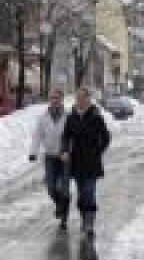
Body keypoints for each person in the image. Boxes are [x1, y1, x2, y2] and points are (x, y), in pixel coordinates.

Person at [60, 86, 110, 236]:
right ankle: (84, 218)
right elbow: (66, 136)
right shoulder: (71, 116)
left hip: (92, 162)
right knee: (82, 194)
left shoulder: (96, 116)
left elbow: (106, 136)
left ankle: (89, 223)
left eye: (83, 98)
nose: (80, 100)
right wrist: (65, 151)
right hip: (76, 161)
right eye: (78, 98)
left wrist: (98, 150)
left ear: (88, 99)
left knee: (89, 191)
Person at [28, 89, 71, 229]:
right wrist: (33, 152)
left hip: (65, 158)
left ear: (62, 100)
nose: (54, 101)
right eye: (52, 98)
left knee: (64, 188)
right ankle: (60, 204)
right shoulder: (43, 117)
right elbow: (37, 136)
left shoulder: (68, 117)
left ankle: (64, 217)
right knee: (51, 187)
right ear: (49, 100)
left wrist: (70, 151)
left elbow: (73, 136)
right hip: (50, 157)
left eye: (57, 98)